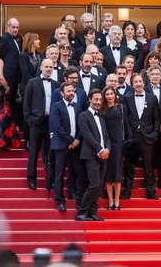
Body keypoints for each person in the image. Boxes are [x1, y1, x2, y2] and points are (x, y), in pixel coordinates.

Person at [23, 59, 59, 190]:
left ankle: (51, 179)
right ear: (41, 68)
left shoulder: (56, 84)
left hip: (51, 122)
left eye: (51, 67)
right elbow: (26, 101)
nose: (49, 69)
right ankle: (31, 179)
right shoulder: (32, 82)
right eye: (46, 66)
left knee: (51, 152)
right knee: (33, 152)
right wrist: (29, 119)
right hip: (36, 122)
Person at [123, 74, 160, 199]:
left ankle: (151, 192)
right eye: (135, 82)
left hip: (147, 137)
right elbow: (125, 119)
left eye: (140, 81)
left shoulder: (152, 98)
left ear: (144, 83)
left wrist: (154, 133)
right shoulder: (126, 98)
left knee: (148, 167)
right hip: (132, 137)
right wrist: (128, 135)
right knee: (129, 166)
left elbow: (156, 118)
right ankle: (126, 192)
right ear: (132, 85)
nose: (138, 84)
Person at [76, 88, 110, 222]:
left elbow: (106, 137)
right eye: (95, 99)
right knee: (94, 184)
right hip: (91, 155)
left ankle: (92, 212)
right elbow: (88, 136)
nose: (98, 102)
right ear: (90, 99)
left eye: (100, 100)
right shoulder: (83, 116)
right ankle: (80, 212)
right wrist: (100, 149)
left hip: (103, 155)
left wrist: (107, 149)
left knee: (99, 184)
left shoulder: (101, 119)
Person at [49, 82, 82, 212]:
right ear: (62, 93)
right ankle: (60, 201)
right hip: (61, 145)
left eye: (73, 91)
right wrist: (71, 140)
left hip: (75, 146)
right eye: (68, 91)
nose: (71, 93)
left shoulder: (78, 106)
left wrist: (77, 140)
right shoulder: (56, 106)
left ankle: (77, 198)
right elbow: (57, 127)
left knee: (78, 171)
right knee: (59, 174)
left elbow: (80, 125)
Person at [101, 86, 130, 207]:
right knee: (108, 172)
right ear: (104, 96)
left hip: (118, 143)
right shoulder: (101, 110)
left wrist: (130, 139)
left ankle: (117, 200)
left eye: (111, 94)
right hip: (106, 143)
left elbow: (126, 125)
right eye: (107, 94)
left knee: (117, 172)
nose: (110, 96)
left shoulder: (122, 108)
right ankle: (110, 200)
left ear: (115, 95)